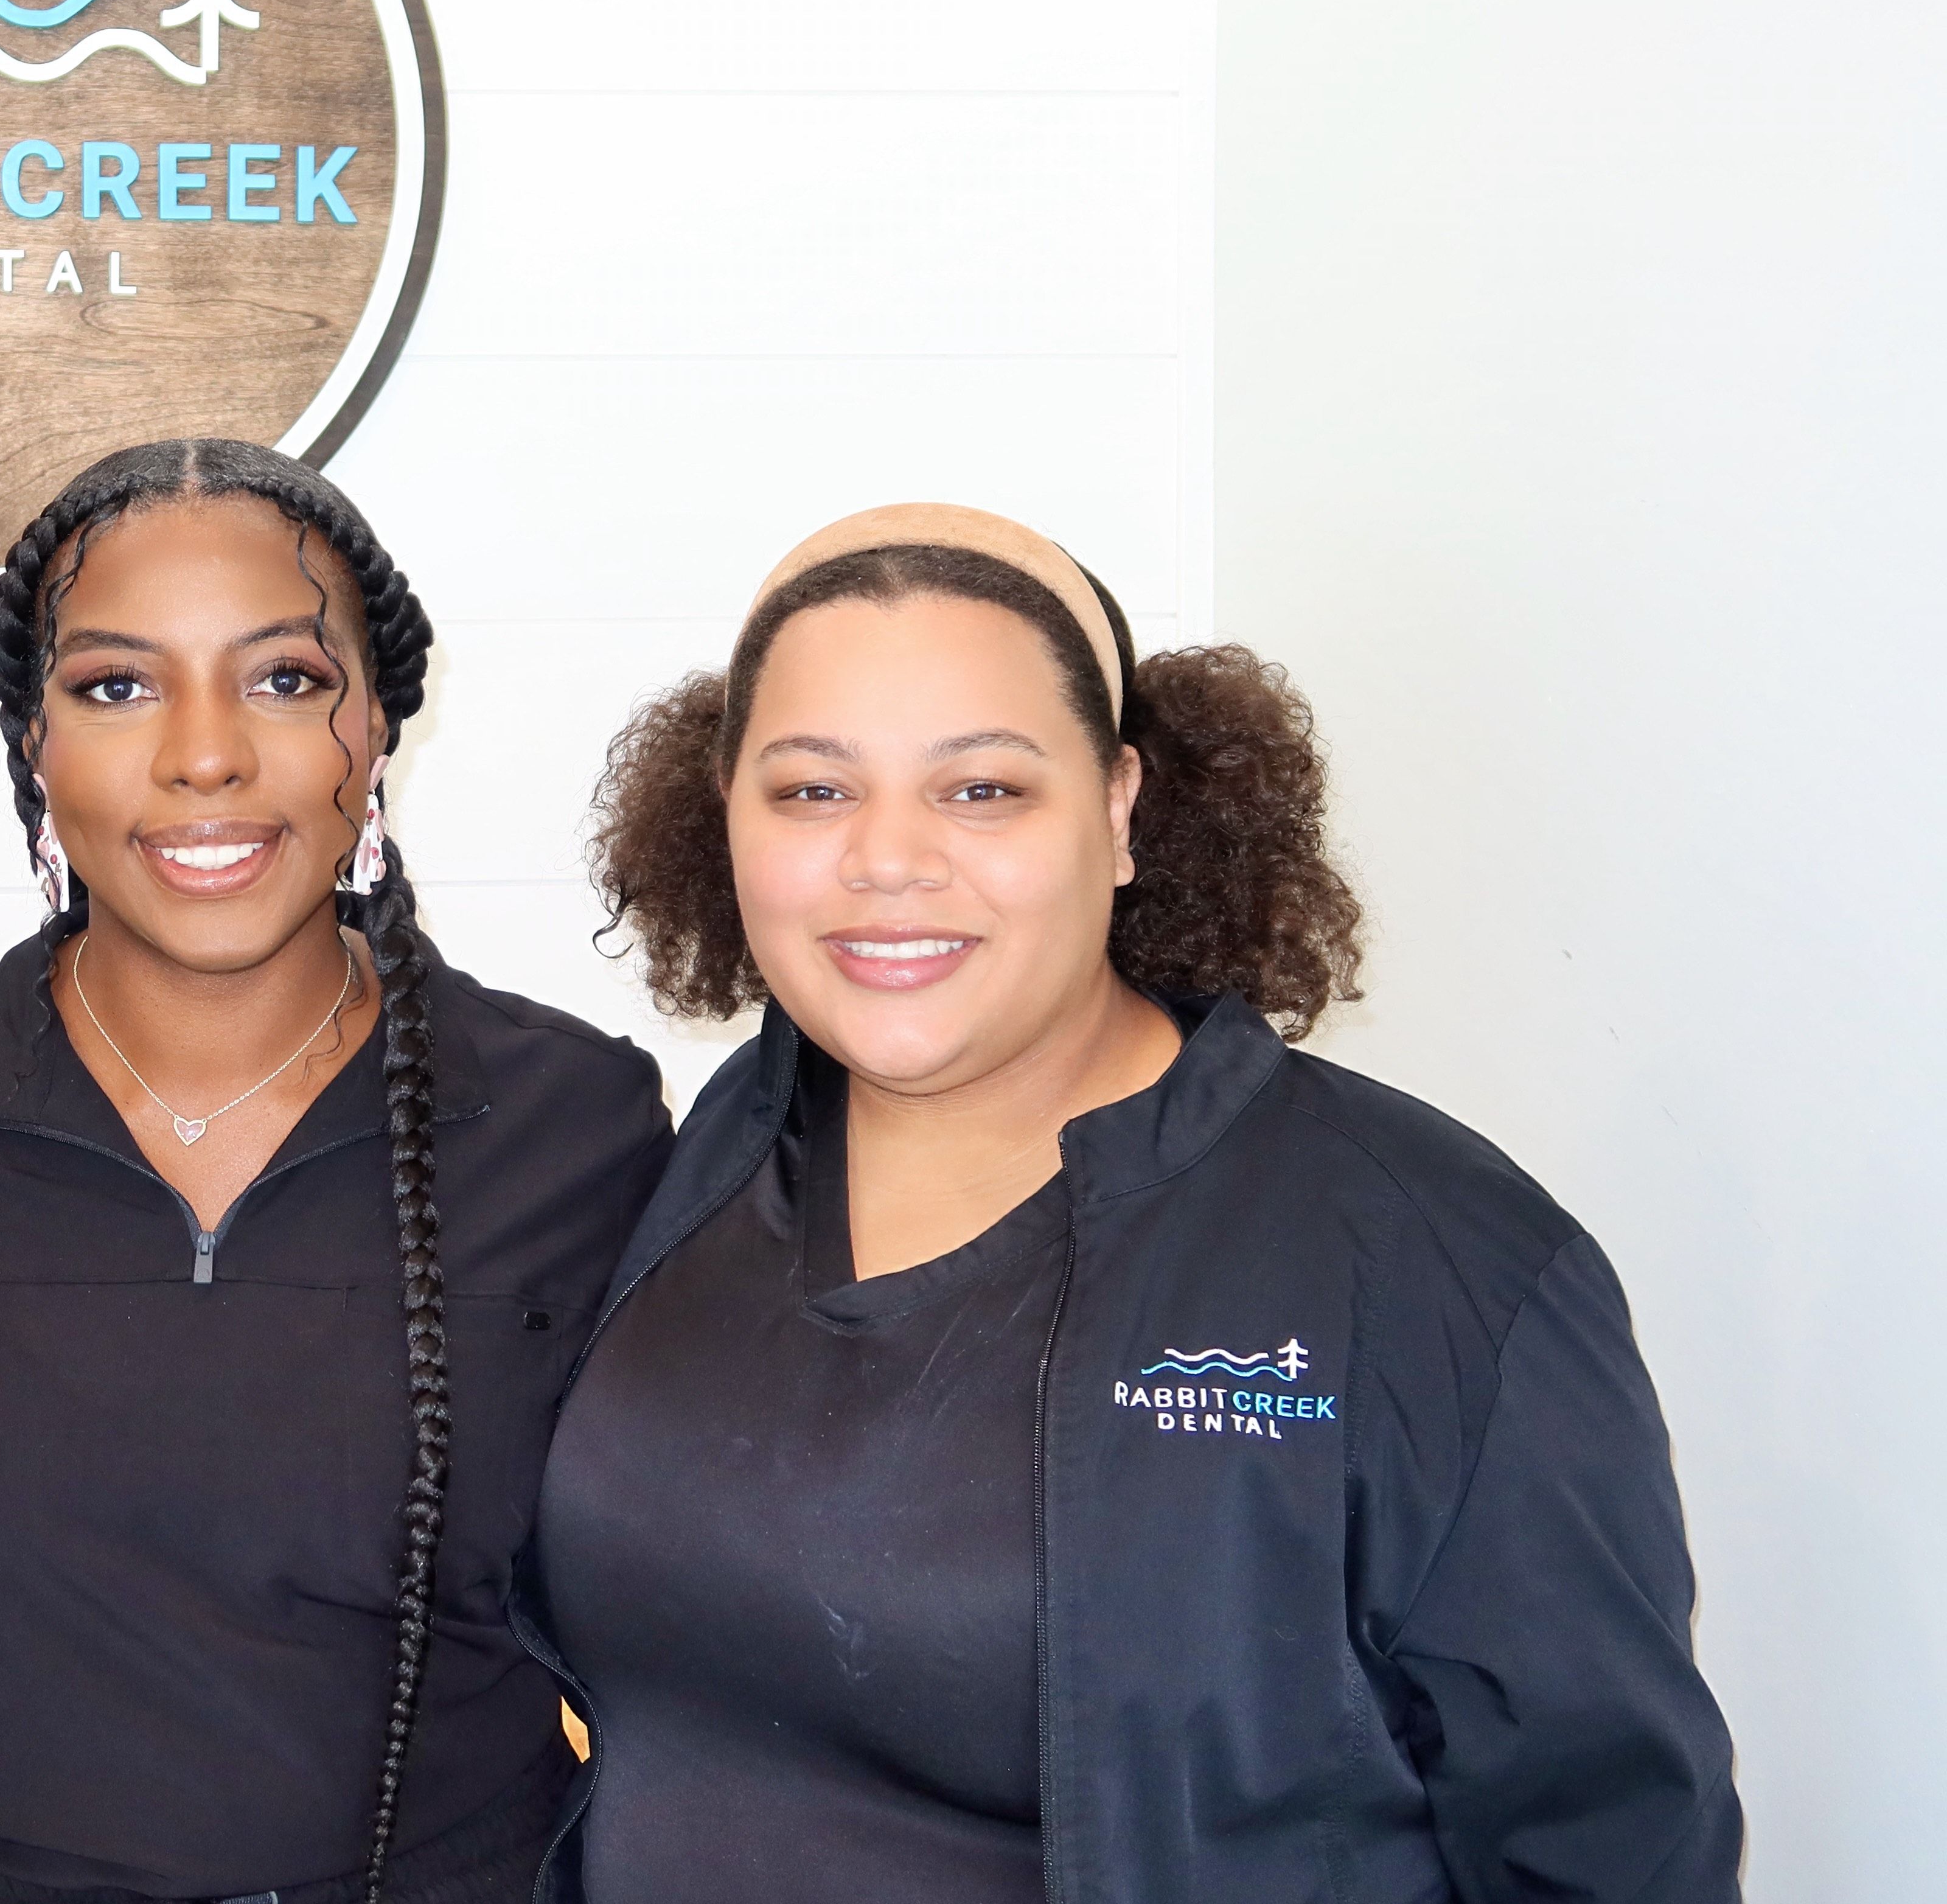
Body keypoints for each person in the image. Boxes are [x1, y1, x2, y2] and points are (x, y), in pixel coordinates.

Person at [524, 504, 1740, 1902]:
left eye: (983, 789)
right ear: (723, 812)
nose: (888, 858)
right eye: (812, 790)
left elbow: (1609, 1849)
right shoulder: (710, 1154)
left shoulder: (1437, 1260)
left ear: (1117, 810)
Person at [0, 441, 674, 1904]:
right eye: (115, 686)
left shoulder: (580, 1122)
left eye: (285, 680)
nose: (204, 756)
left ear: (372, 732)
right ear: (32, 745)